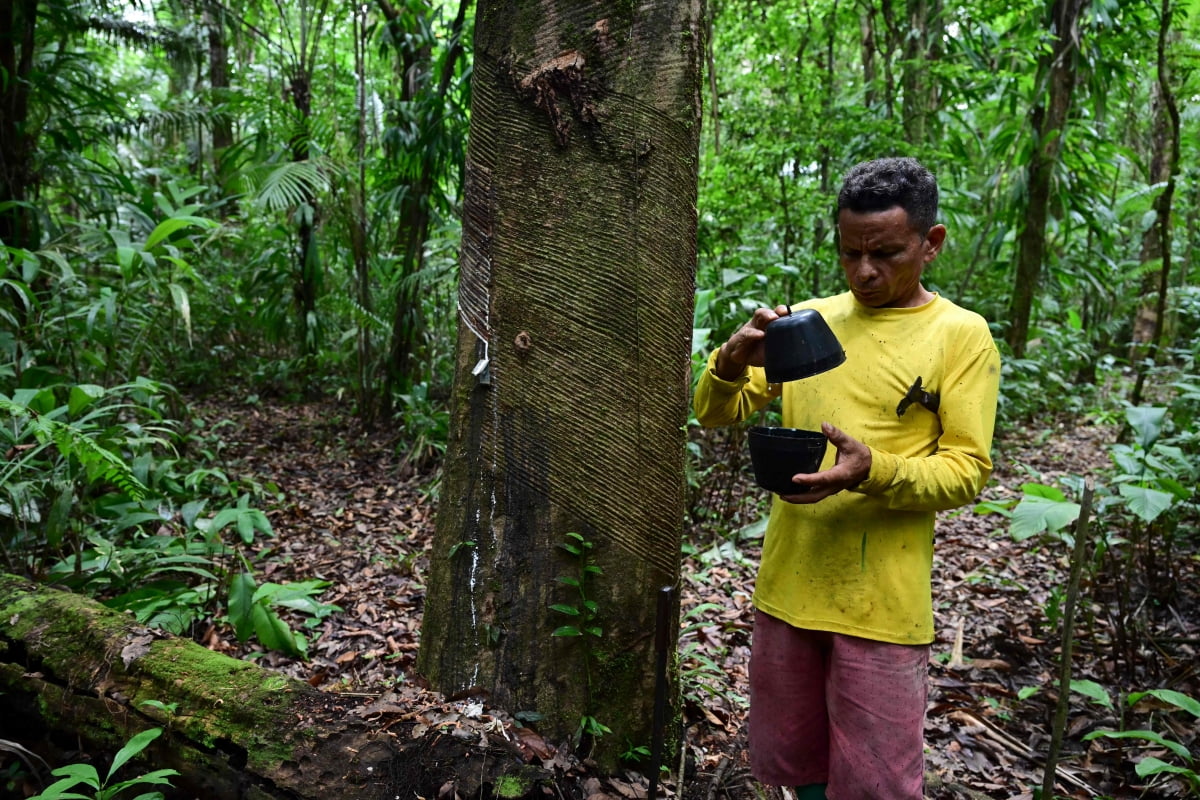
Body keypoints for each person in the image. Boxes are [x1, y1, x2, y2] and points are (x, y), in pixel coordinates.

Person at [693, 157, 1001, 800]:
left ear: (931, 243)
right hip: (789, 586)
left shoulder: (960, 336)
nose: (865, 271)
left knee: (877, 783)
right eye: (851, 252)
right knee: (793, 765)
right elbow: (715, 412)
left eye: (886, 253)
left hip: (883, 605)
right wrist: (729, 361)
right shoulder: (810, 320)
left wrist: (872, 471)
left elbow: (968, 470)